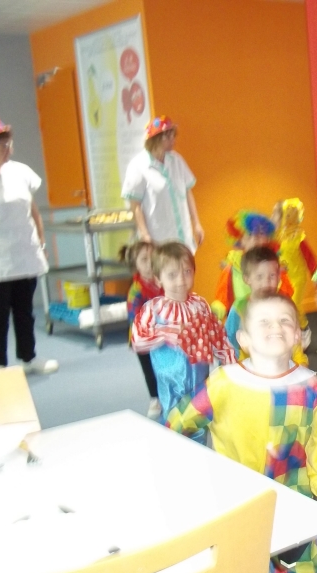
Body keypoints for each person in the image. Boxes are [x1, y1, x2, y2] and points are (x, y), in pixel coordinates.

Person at [167, 291, 317, 573]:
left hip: (293, 504)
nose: (275, 326)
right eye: (264, 321)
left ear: (298, 336)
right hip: (235, 502)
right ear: (244, 338)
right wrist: (191, 475)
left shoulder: (309, 386)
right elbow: (179, 423)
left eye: (285, 320)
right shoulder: (224, 382)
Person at [0, 116, 58, 374]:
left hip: (24, 255)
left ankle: (29, 358)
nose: (9, 151)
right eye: (3, 147)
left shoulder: (19, 171)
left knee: (24, 311)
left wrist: (41, 240)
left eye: (10, 145)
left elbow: (32, 209)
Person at [132, 242, 235, 442]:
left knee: (198, 426)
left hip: (199, 382)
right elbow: (138, 340)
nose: (181, 280)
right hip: (170, 386)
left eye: (187, 272)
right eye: (172, 275)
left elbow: (218, 337)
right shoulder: (153, 309)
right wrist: (167, 333)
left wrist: (230, 364)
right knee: (174, 428)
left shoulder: (200, 305)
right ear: (158, 278)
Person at [121, 116, 204, 252]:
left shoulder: (176, 160)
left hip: (183, 237)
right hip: (159, 240)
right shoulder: (138, 166)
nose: (174, 140)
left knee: (186, 264)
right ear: (157, 139)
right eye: (169, 136)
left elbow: (188, 192)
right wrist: (145, 235)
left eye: (173, 136)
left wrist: (196, 223)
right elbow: (135, 205)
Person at [224, 245, 308, 366]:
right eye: (259, 277)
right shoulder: (239, 308)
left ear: (279, 277)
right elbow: (229, 339)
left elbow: (294, 336)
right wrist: (233, 366)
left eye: (272, 275)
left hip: (281, 365)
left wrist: (300, 362)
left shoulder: (285, 305)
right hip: (250, 367)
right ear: (247, 279)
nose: (266, 282)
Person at [211, 210, 293, 322]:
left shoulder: (275, 266)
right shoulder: (232, 268)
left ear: (267, 239)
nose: (254, 239)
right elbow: (222, 298)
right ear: (240, 241)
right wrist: (215, 313)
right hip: (241, 319)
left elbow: (286, 295)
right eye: (249, 236)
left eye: (260, 235)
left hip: (271, 318)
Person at [120, 240, 163, 418]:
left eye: (152, 258)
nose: (149, 263)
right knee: (149, 369)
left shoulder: (162, 282)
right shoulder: (136, 291)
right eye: (144, 260)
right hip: (143, 338)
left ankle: (168, 392)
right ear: (135, 265)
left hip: (162, 334)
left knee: (163, 365)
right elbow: (136, 318)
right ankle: (154, 398)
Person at [273, 198, 317, 349]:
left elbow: (310, 258)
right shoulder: (280, 236)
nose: (273, 219)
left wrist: (316, 276)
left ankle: (305, 329)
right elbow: (276, 254)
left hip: (298, 277)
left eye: (276, 216)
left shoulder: (299, 237)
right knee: (284, 306)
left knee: (294, 305)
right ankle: (290, 335)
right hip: (285, 278)